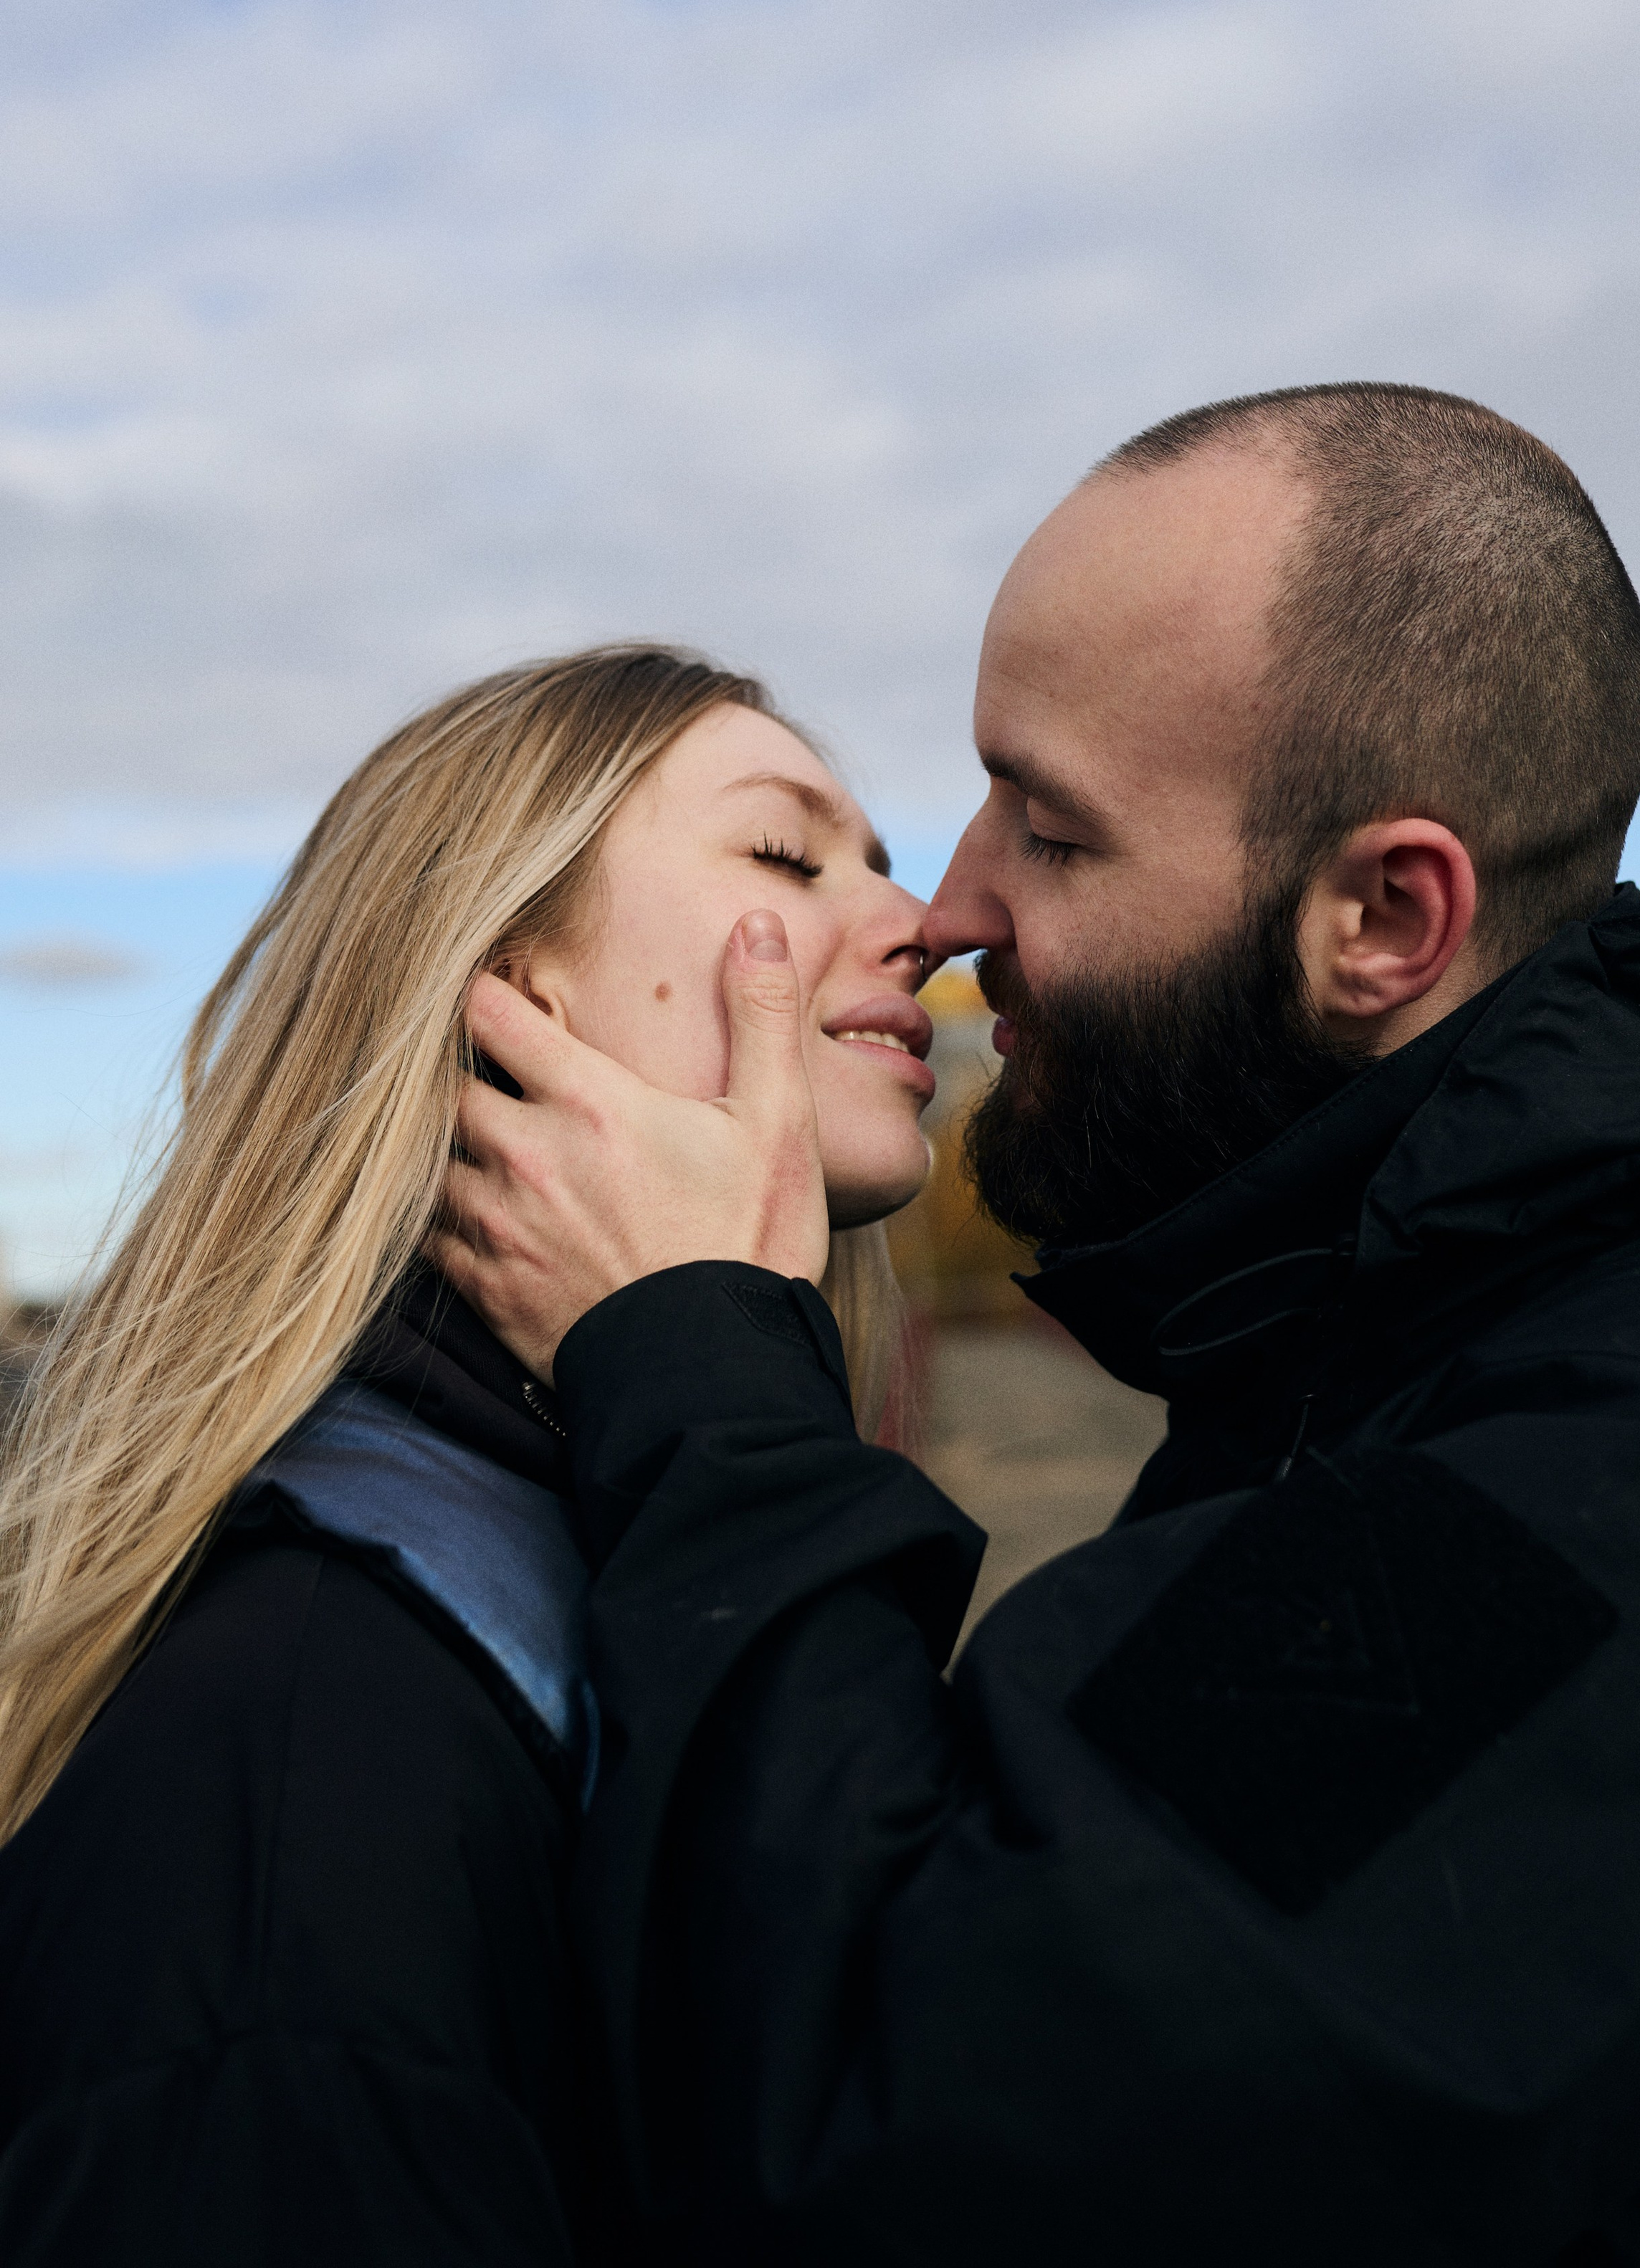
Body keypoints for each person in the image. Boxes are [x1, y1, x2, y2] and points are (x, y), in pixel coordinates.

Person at [442, 383, 1640, 2265]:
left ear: (1383, 924)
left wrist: (699, 1363)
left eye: (1058, 832)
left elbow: (923, 2110)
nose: (950, 905)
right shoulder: (1390, 1304)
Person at [0, 644, 939, 2265]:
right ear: (513, 987)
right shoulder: (303, 1767)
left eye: (882, 860)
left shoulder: (630, 1550)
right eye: (787, 855)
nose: (917, 925)